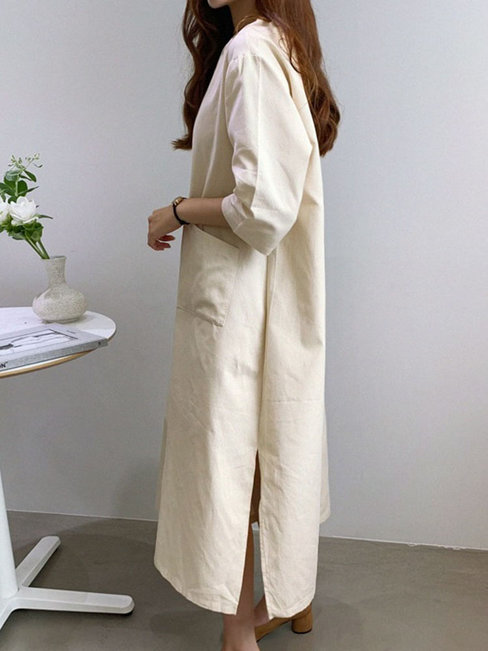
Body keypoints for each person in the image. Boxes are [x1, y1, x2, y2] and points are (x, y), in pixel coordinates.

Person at [148, 1, 340, 649]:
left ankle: (238, 632)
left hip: (240, 298)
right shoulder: (278, 44)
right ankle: (292, 597)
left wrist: (176, 210)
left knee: (228, 455)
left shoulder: (252, 51)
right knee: (267, 445)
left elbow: (261, 207)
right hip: (267, 293)